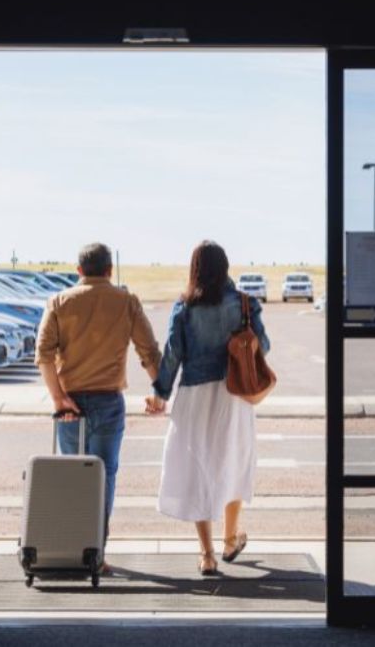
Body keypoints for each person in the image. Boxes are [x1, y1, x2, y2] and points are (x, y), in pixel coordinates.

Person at [36, 242, 163, 572]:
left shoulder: (59, 302)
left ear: (79, 271)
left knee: (70, 478)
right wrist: (159, 392)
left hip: (70, 406)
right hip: (109, 402)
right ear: (109, 270)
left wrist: (58, 398)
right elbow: (149, 351)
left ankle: (70, 549)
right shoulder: (126, 301)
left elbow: (44, 355)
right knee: (103, 478)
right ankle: (96, 553)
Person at [146, 241, 271, 575]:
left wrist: (159, 393)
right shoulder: (245, 304)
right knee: (232, 461)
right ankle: (231, 538)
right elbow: (265, 346)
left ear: (195, 269)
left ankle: (207, 554)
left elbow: (173, 354)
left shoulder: (184, 307)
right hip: (234, 396)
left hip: (195, 396)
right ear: (226, 267)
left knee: (199, 467)